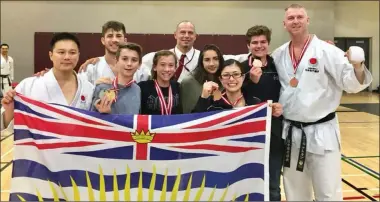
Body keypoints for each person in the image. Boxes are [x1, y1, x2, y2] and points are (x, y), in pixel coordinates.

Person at [269, 4, 373, 201]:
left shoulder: (328, 51)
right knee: (295, 193)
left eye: (300, 17)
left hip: (322, 133)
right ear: (284, 24)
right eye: (291, 18)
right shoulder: (278, 54)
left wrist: (358, 65)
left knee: (328, 192)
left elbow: (351, 83)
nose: (296, 21)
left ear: (308, 21)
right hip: (291, 133)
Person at [1, 32, 94, 132]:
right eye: (61, 52)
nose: (67, 57)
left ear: (78, 55)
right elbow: (8, 128)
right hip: (39, 146)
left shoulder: (88, 88)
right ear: (51, 55)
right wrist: (9, 112)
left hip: (78, 146)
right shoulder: (28, 86)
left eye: (72, 52)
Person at [242, 25, 284, 201]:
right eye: (254, 42)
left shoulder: (279, 65)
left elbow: (289, 91)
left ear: (269, 43)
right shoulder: (241, 68)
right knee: (247, 182)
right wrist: (251, 81)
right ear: (248, 46)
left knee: (274, 183)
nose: (259, 46)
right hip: (249, 133)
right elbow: (235, 97)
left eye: (263, 42)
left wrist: (283, 107)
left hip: (274, 132)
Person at [192, 59, 283, 117]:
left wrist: (272, 112)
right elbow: (192, 122)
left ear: (243, 77)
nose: (231, 79)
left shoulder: (255, 103)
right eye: (226, 75)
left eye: (236, 74)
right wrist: (203, 97)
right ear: (220, 79)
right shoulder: (212, 104)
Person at [90, 43, 142, 115]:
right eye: (124, 59)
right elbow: (91, 119)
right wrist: (105, 115)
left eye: (134, 60)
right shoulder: (102, 87)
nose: (129, 63)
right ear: (116, 61)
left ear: (139, 64)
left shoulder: (137, 89)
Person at [180, 44, 224, 113]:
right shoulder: (189, 83)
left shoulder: (225, 80)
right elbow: (186, 114)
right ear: (201, 62)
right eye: (207, 60)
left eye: (215, 59)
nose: (211, 64)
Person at [138, 50, 182, 115]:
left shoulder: (178, 87)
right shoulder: (143, 87)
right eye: (162, 65)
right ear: (154, 67)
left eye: (171, 65)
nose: (167, 69)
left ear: (175, 68)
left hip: (172, 125)